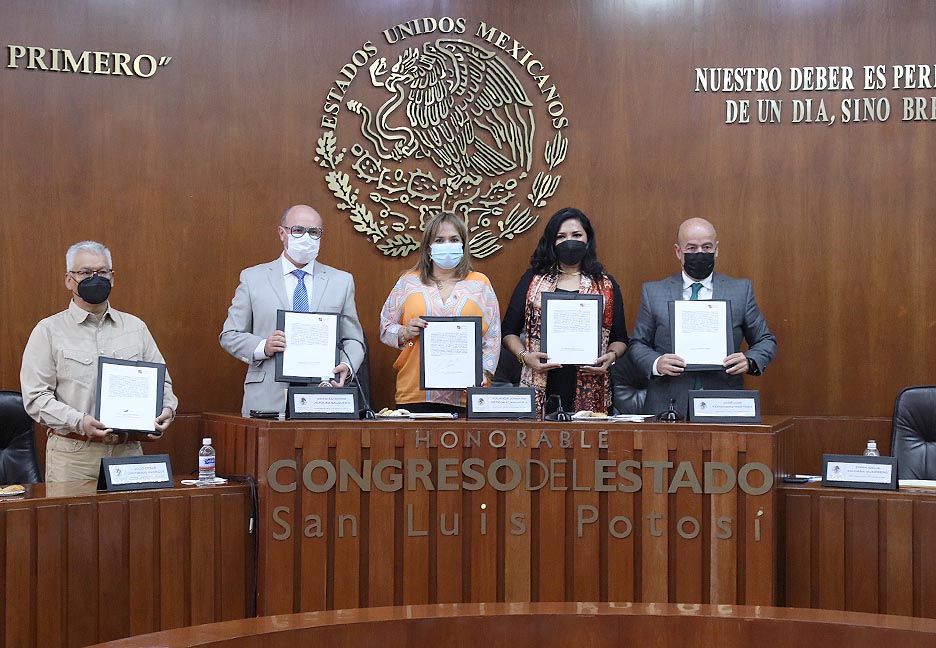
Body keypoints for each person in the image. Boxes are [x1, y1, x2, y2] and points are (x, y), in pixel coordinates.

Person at [20, 241, 177, 482]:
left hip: (128, 452)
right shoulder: (48, 331)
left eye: (102, 272)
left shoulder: (136, 328)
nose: (95, 278)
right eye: (84, 273)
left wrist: (167, 409)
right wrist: (79, 422)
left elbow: (162, 383)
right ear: (68, 280)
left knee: (133, 521)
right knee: (73, 521)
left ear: (112, 278)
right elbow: (36, 397)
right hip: (75, 455)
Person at [220, 204, 366, 416]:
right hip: (267, 397)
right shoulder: (253, 278)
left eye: (314, 232)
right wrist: (263, 346)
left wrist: (347, 364)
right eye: (298, 230)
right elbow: (230, 335)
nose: (306, 238)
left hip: (322, 396)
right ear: (282, 233)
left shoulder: (341, 281)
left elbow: (354, 339)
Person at [628, 217, 777, 418]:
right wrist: (657, 363)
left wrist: (749, 360)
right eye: (691, 248)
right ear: (678, 252)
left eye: (706, 247)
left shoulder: (740, 291)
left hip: (724, 402)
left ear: (716, 250)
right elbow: (637, 343)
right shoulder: (654, 292)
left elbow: (765, 340)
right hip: (667, 404)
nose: (700, 253)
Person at [502, 207, 628, 418]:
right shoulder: (533, 280)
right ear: (551, 242)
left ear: (588, 240)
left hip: (592, 383)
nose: (570, 241)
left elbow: (620, 338)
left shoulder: (605, 284)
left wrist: (611, 357)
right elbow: (508, 331)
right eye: (561, 236)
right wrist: (525, 357)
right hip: (542, 381)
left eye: (576, 235)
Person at [379, 211, 501, 413]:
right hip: (414, 391)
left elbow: (493, 336)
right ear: (428, 248)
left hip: (466, 393)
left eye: (454, 240)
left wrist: (484, 373)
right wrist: (405, 332)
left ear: (463, 245)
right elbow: (385, 327)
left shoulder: (480, 283)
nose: (447, 245)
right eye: (440, 240)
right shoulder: (408, 282)